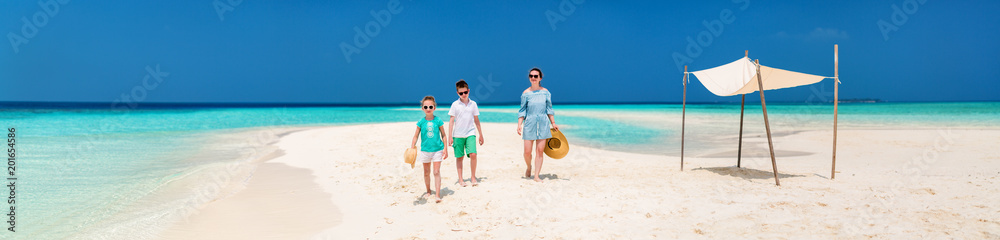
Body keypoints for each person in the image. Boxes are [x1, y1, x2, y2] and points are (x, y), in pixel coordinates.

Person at [517, 67, 558, 183]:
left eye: (536, 76)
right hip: (529, 123)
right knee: (527, 152)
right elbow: (522, 111)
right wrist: (519, 124)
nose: (533, 78)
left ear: (540, 78)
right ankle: (529, 167)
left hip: (543, 123)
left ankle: (536, 176)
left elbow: (549, 109)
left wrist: (553, 123)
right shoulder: (525, 93)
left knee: (540, 151)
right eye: (531, 76)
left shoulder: (546, 92)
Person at [410, 96, 449, 203]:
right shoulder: (421, 122)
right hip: (425, 151)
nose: (428, 108)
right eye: (425, 106)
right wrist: (412, 145)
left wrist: (446, 149)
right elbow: (416, 135)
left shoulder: (438, 120)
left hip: (438, 150)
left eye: (430, 106)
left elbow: (444, 135)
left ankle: (437, 195)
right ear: (422, 108)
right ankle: (428, 191)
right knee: (426, 172)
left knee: (436, 171)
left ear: (434, 107)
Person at [448, 80, 485, 187]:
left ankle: (473, 177)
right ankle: (461, 179)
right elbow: (451, 121)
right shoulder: (455, 105)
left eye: (465, 92)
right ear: (457, 93)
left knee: (473, 154)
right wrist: (450, 136)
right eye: (461, 93)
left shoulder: (473, 104)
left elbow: (476, 120)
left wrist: (481, 134)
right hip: (457, 135)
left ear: (468, 91)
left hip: (470, 133)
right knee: (459, 157)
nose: (463, 95)